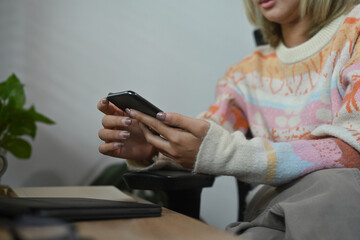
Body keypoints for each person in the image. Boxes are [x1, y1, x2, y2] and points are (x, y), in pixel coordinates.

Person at [98, 0, 360, 238]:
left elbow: (354, 147)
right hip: (274, 210)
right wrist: (153, 147)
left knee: (336, 183)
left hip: (345, 198)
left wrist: (224, 152)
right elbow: (209, 135)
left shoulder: (355, 31)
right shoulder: (244, 74)